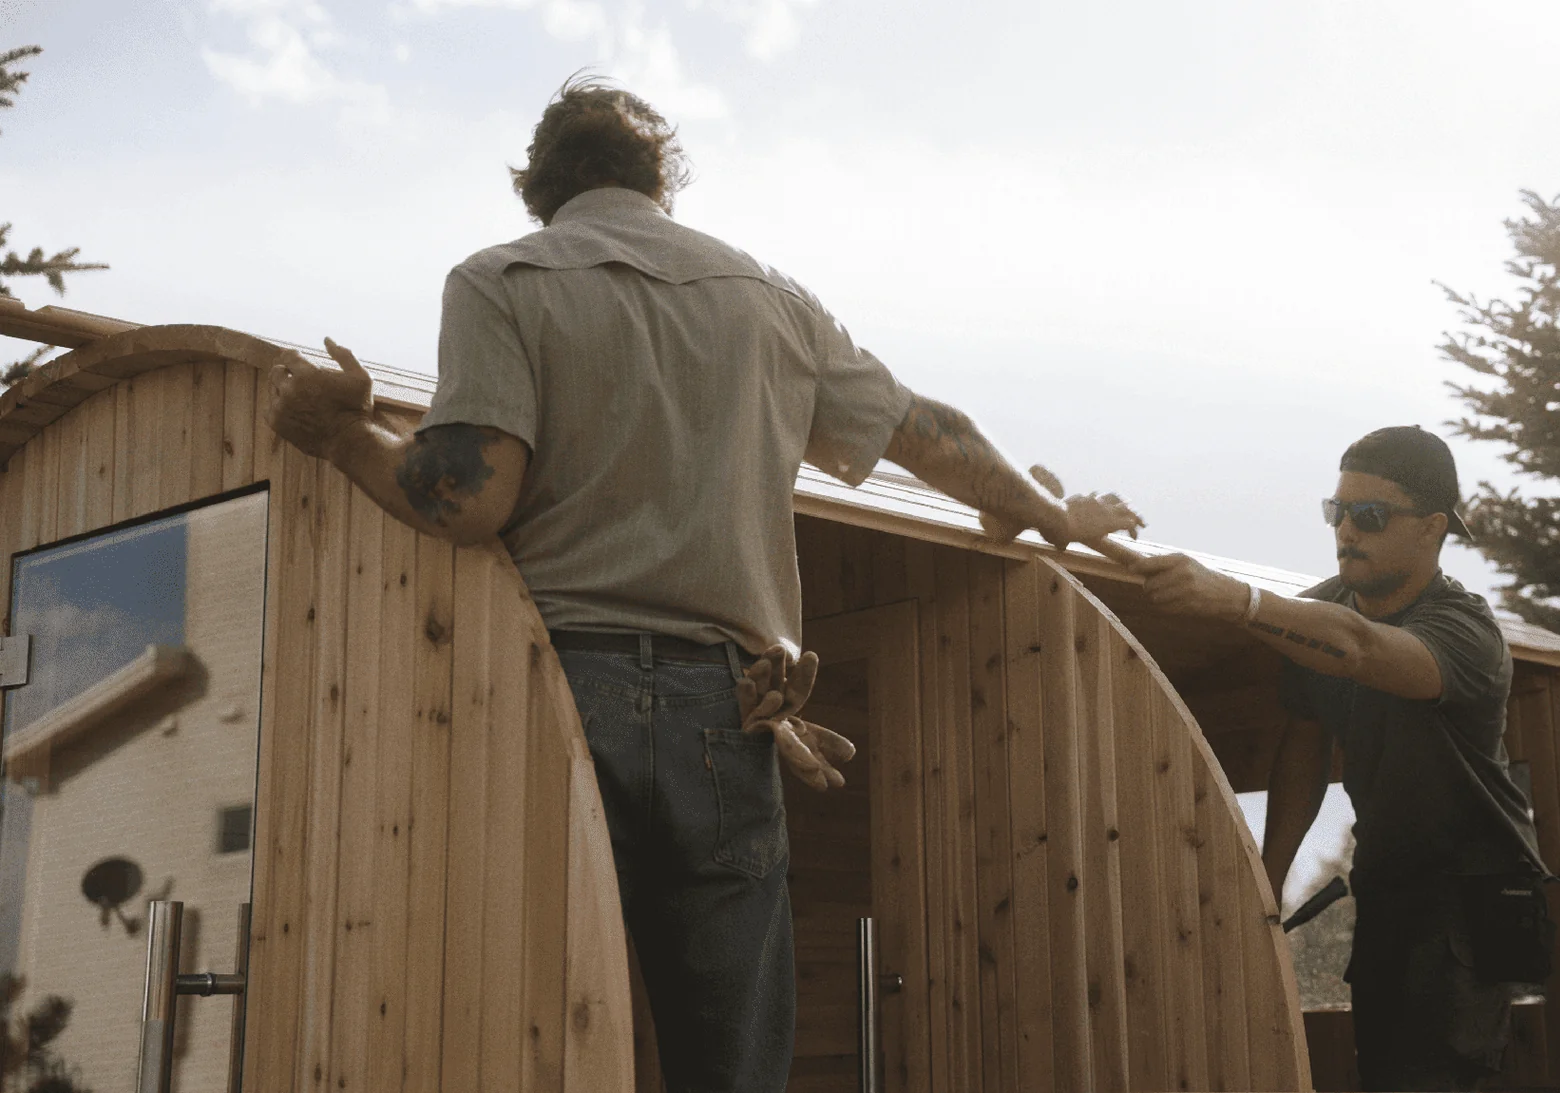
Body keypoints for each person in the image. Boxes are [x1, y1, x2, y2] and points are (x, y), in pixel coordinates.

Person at [262, 76, 1142, 1093]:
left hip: (558, 691)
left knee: (532, 1028)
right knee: (730, 1060)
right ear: (661, 180)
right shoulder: (770, 301)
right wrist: (1047, 514)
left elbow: (467, 498)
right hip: (731, 710)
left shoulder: (499, 280)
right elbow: (926, 430)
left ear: (538, 187)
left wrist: (340, 434)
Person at [1130, 425, 1550, 1091]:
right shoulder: (1317, 615)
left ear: (1432, 528)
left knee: (1430, 1078)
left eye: (1371, 515)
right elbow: (1304, 743)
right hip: (1383, 884)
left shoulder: (1466, 632)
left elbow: (1360, 649)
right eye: (1338, 511)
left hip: (1470, 896)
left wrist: (1240, 601)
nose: (1347, 530)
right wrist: (1266, 886)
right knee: (1381, 1071)